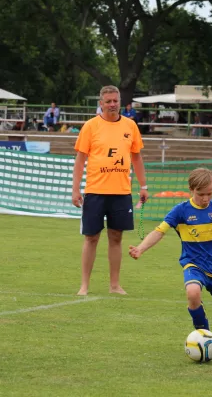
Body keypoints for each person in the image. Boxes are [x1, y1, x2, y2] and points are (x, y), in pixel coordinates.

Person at [129, 168, 212, 352]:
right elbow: (159, 231)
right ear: (191, 189)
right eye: (201, 194)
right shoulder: (181, 211)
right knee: (193, 293)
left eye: (210, 193)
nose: (206, 198)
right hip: (193, 263)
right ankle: (205, 339)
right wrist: (141, 248)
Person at [72, 85, 149, 296]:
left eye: (115, 100)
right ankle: (84, 286)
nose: (113, 104)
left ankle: (114, 285)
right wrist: (75, 189)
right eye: (108, 101)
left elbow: (137, 157)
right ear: (101, 103)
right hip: (95, 191)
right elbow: (80, 160)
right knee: (91, 237)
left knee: (116, 238)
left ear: (120, 101)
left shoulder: (130, 126)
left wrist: (143, 186)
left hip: (121, 192)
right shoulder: (90, 126)